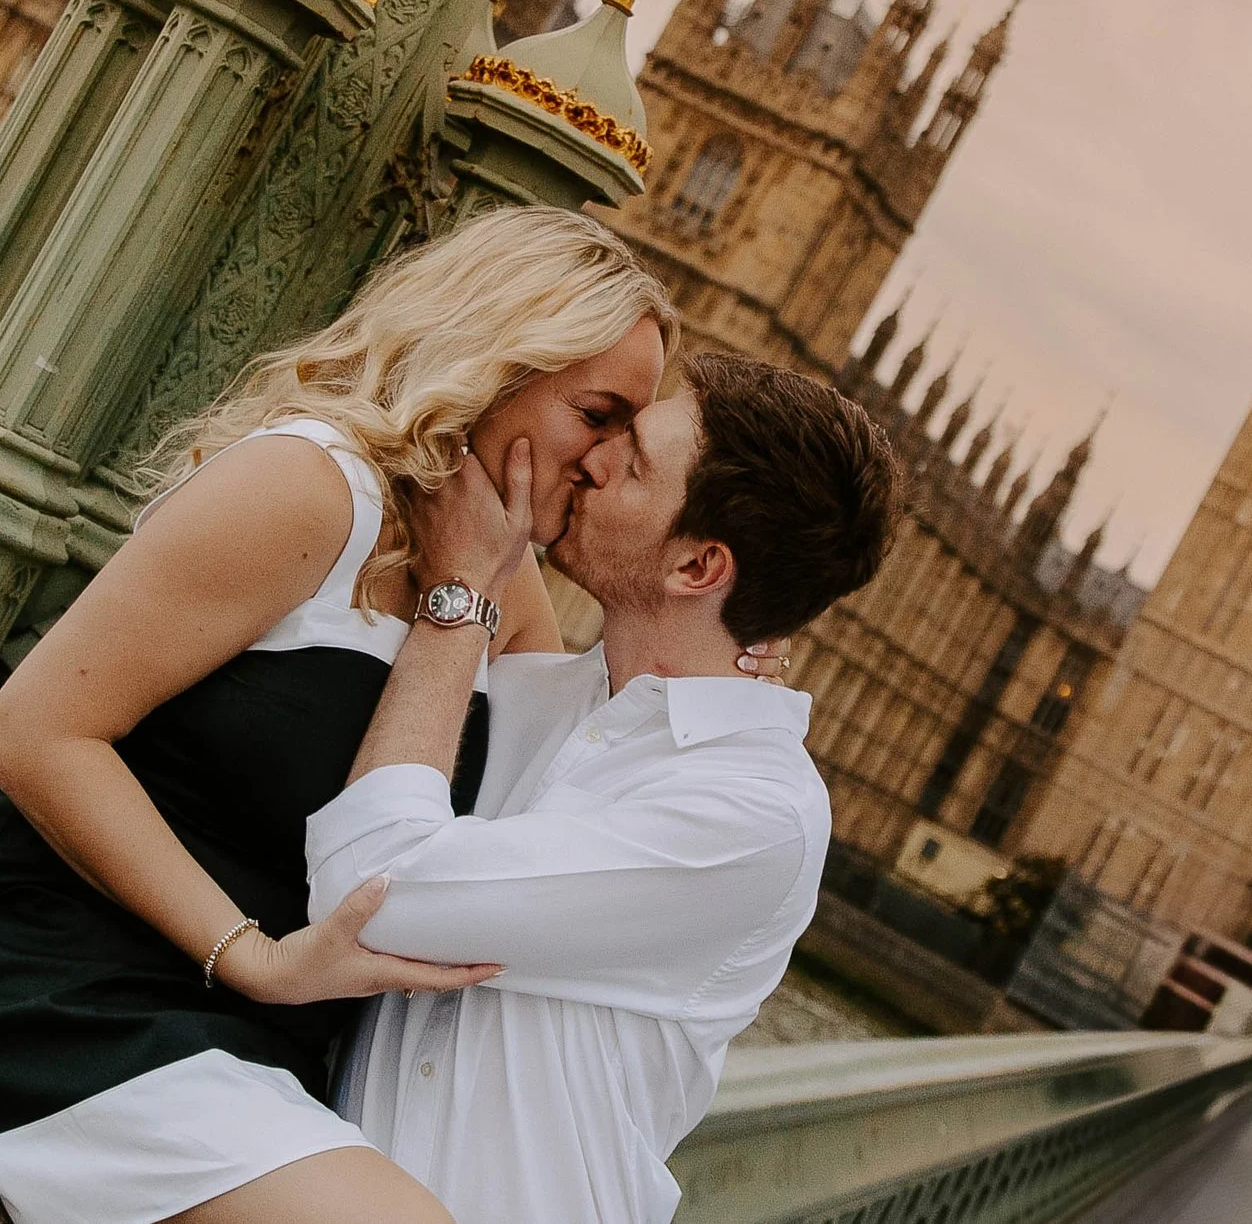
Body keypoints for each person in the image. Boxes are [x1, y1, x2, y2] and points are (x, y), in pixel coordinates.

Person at [0, 205, 678, 1224]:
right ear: (501, 363)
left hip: (265, 1038)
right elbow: (34, 731)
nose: (607, 460)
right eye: (599, 414)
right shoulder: (310, 487)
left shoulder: (499, 570)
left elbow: (562, 803)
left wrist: (698, 619)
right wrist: (251, 957)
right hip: (49, 982)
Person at [302, 350, 901, 1224]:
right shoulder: (547, 695)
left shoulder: (753, 813)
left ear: (698, 568)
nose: (594, 457)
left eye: (635, 460)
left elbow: (368, 892)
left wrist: (463, 590)